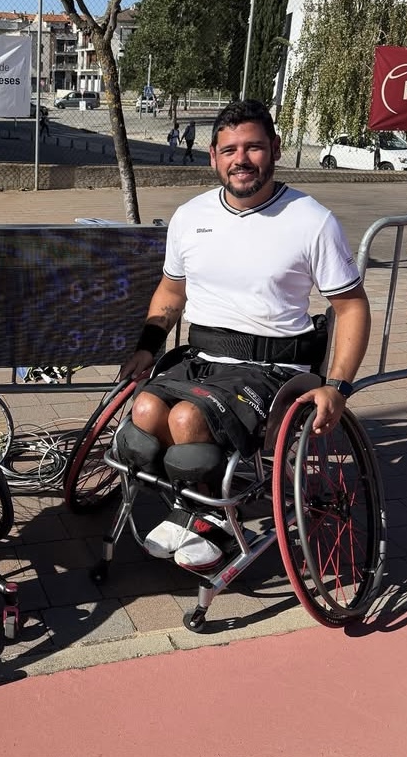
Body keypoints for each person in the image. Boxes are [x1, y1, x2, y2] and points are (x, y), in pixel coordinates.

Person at [118, 99, 370, 573]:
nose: (241, 160)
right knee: (146, 410)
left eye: (253, 147)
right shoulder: (190, 215)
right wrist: (147, 348)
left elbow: (351, 305)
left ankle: (208, 519)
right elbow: (171, 291)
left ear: (274, 149)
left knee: (188, 417)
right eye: (229, 150)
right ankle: (195, 507)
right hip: (204, 357)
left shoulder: (311, 220)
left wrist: (338, 386)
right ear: (213, 156)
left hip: (273, 366)